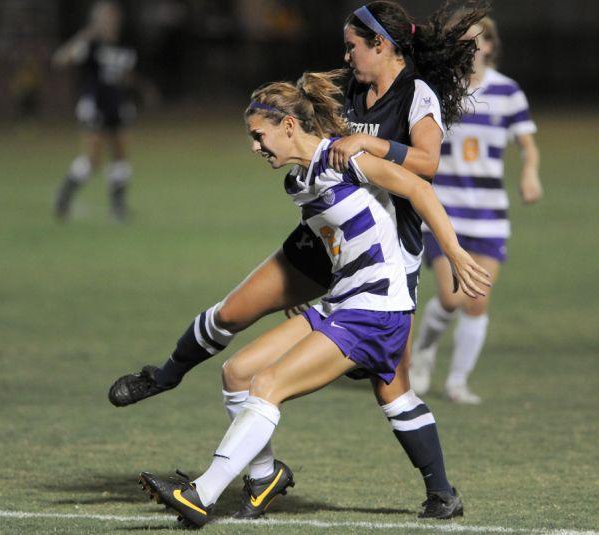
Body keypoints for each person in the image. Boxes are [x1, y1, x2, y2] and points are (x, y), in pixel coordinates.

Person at [111, 1, 487, 519]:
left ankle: (202, 495)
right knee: (239, 367)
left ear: (382, 44)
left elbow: (423, 173)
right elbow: (309, 134)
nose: (345, 54)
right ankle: (254, 470)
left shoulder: (398, 110)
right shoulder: (308, 165)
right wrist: (321, 289)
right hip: (344, 264)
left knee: (385, 388)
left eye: (353, 45)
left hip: (384, 273)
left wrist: (455, 249)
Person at [409, 16, 542, 404]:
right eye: (461, 42)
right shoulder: (438, 92)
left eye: (475, 42)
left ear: (489, 46)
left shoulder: (508, 92)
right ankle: (423, 354)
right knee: (451, 298)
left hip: (489, 213)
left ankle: (457, 382)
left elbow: (527, 145)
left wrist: (530, 173)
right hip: (444, 210)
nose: (469, 49)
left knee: (477, 299)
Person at [53, 1, 137, 222]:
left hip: (116, 104)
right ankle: (64, 195)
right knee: (93, 158)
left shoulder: (124, 46)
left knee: (120, 153)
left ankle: (118, 207)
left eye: (113, 17)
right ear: (96, 20)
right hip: (93, 104)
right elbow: (60, 59)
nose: (110, 21)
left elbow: (125, 75)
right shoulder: (91, 45)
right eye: (105, 17)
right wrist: (84, 36)